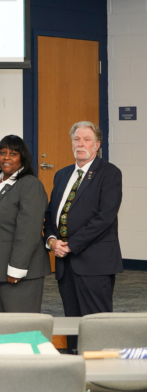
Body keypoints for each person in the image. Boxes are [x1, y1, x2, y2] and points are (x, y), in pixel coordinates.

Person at [44, 121, 122, 348]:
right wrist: (51, 241)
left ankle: (100, 376)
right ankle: (75, 369)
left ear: (97, 145)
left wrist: (70, 244)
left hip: (94, 263)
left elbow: (104, 218)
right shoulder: (61, 175)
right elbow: (50, 215)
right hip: (65, 264)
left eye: (87, 140)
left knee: (97, 325)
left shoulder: (109, 173)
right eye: (76, 139)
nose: (81, 144)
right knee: (72, 323)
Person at [0, 135, 50, 313]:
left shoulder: (30, 185)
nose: (6, 157)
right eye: (2, 153)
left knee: (19, 328)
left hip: (16, 270)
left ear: (23, 158)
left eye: (13, 153)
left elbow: (29, 231)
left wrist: (17, 268)